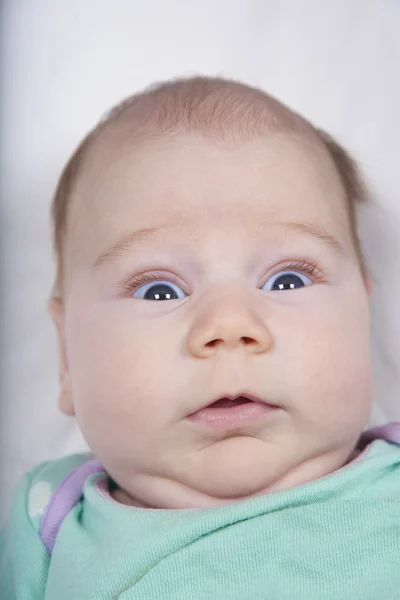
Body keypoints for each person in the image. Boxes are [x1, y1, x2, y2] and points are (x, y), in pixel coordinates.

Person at [1, 76, 399, 599]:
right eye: (159, 291)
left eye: (288, 279)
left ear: (362, 316)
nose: (230, 326)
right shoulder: (49, 518)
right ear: (66, 360)